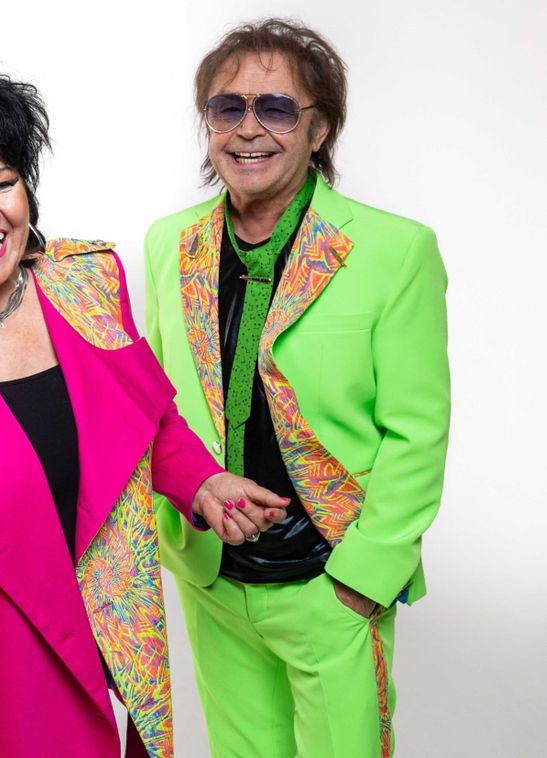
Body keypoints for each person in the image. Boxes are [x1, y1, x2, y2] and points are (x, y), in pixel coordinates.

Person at [0, 50, 289, 758]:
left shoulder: (86, 283)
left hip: (89, 645)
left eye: (2, 182)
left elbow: (143, 419)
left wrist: (203, 482)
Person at [144, 19, 450, 758]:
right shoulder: (167, 244)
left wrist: (362, 579)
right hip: (213, 578)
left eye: (276, 108)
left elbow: (417, 431)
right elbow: (154, 405)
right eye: (227, 108)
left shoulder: (395, 250)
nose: (248, 129)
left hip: (331, 584)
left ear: (320, 130)